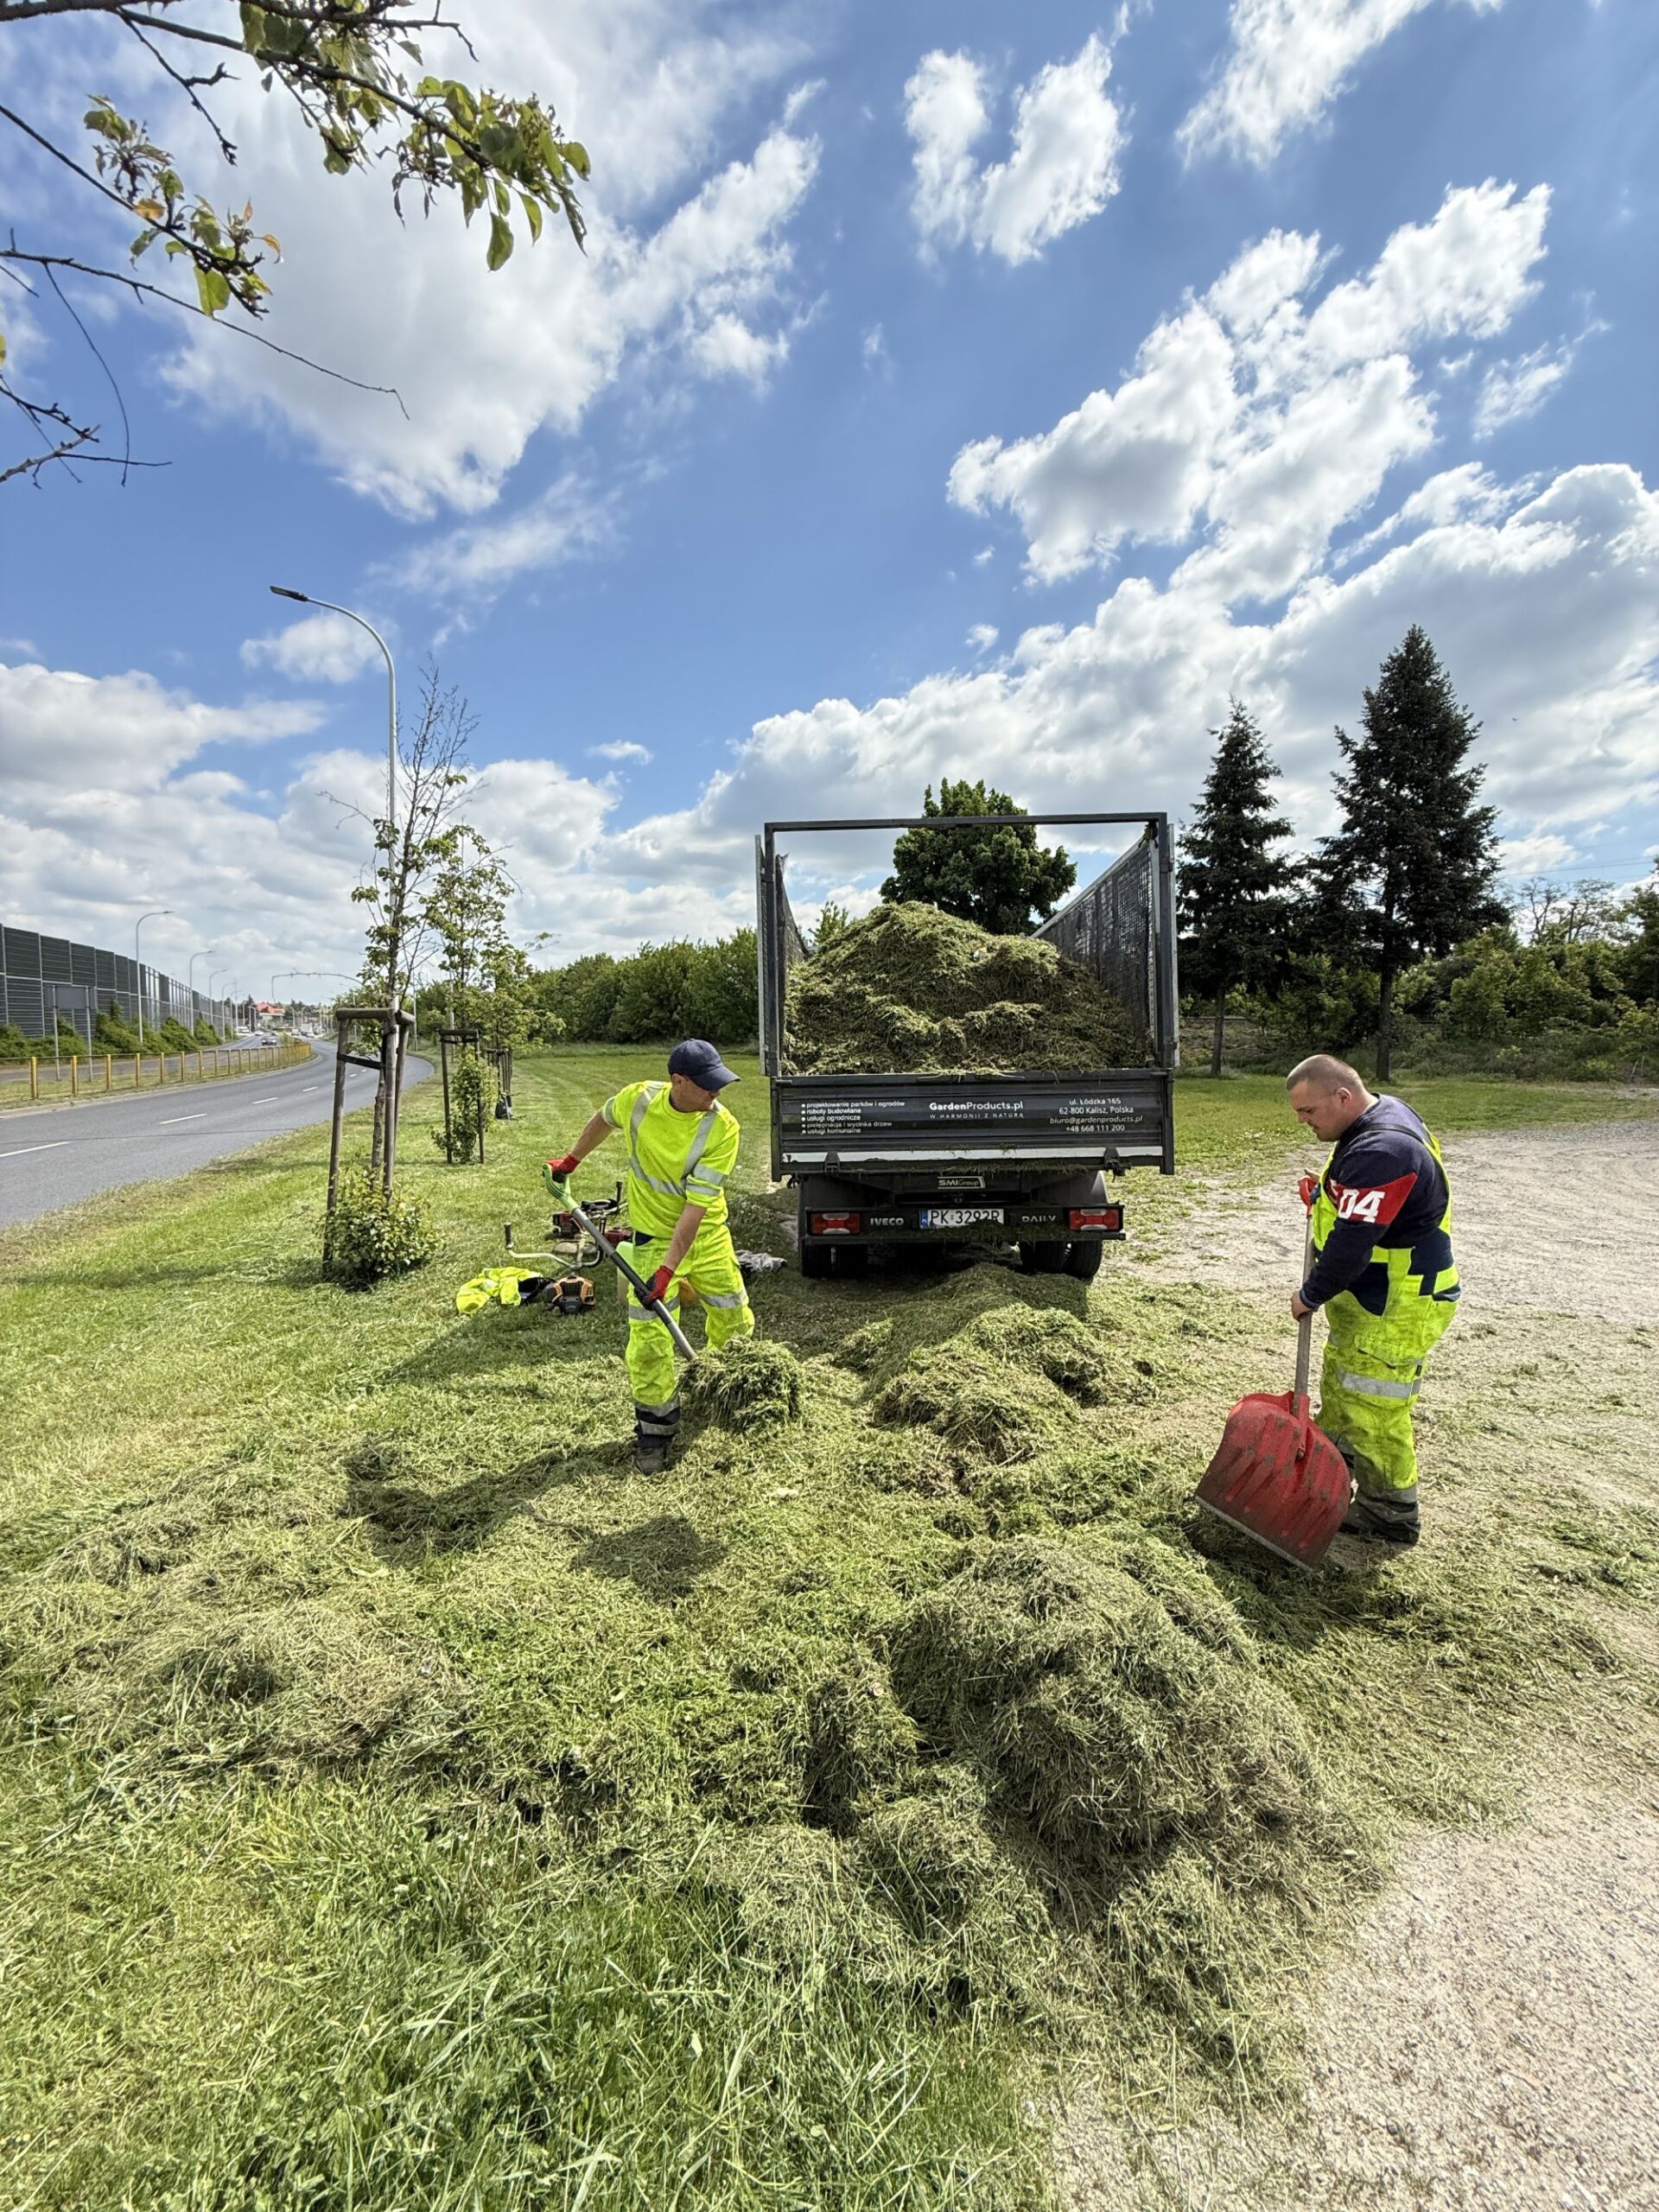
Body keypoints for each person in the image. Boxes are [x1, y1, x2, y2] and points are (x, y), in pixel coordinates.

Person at [543, 1039, 753, 1472]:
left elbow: (696, 1209)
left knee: (734, 1317)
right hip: (649, 1241)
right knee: (650, 1342)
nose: (717, 1093)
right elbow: (603, 1118)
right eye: (707, 1085)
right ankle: (655, 1432)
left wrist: (669, 1269)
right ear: (678, 1081)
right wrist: (571, 1160)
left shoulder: (722, 1127)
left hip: (707, 1237)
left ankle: (727, 1394)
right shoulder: (639, 1099)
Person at [1286, 1054, 1459, 1546]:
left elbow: (1353, 1244)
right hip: (1370, 1298)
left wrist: (1310, 1294)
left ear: (1343, 1097)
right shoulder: (1376, 1118)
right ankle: (1333, 1469)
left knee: (1376, 1404)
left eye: (1309, 1112)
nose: (1304, 1123)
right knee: (1346, 1384)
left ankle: (1389, 1511)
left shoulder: (1383, 1149)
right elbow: (1364, 1196)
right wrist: (1325, 1192)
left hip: (1397, 1301)